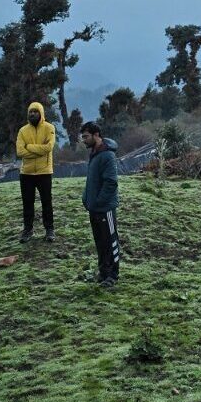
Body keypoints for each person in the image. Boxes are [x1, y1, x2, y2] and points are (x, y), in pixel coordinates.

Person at [80, 122, 120, 287]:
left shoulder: (107, 156)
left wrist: (98, 202)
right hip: (94, 208)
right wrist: (86, 199)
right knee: (100, 243)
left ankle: (113, 275)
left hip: (105, 209)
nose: (83, 140)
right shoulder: (95, 153)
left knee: (110, 241)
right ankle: (103, 273)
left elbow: (111, 182)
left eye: (86, 136)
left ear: (96, 135)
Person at [16, 101, 56, 242]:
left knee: (47, 201)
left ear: (41, 113)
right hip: (26, 173)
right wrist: (39, 151)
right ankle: (28, 230)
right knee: (27, 202)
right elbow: (20, 152)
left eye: (35, 111)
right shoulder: (22, 131)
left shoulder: (49, 127)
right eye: (30, 112)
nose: (32, 114)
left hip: (44, 172)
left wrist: (30, 147)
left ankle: (50, 230)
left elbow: (49, 147)